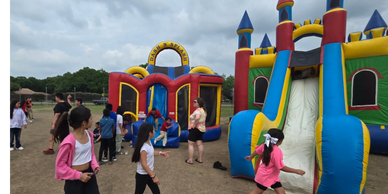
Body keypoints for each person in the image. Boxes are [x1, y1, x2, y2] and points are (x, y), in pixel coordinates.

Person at [54, 105, 100, 194]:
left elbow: (91, 154)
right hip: (74, 180)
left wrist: (94, 165)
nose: (92, 120)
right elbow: (60, 166)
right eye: (90, 118)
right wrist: (79, 176)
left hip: (90, 175)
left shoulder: (89, 135)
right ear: (84, 123)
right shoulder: (68, 142)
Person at [245, 128, 305, 194]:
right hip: (265, 176)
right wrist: (296, 171)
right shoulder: (276, 152)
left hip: (272, 176)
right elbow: (281, 167)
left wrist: (251, 157)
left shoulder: (265, 145)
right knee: (256, 192)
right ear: (280, 141)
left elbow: (256, 151)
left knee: (281, 192)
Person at [131, 123, 171, 194]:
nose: (155, 131)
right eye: (153, 130)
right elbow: (144, 164)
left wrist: (160, 153)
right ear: (150, 133)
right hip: (142, 175)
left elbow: (150, 152)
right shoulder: (143, 147)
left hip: (149, 173)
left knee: (156, 192)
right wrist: (153, 176)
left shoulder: (148, 142)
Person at [185, 97, 207, 164]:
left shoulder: (198, 110)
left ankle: (190, 160)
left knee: (191, 144)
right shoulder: (203, 110)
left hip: (195, 129)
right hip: (201, 129)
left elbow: (197, 118)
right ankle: (200, 159)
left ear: (199, 103)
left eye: (195, 102)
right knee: (199, 144)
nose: (193, 103)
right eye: (193, 101)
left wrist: (194, 125)